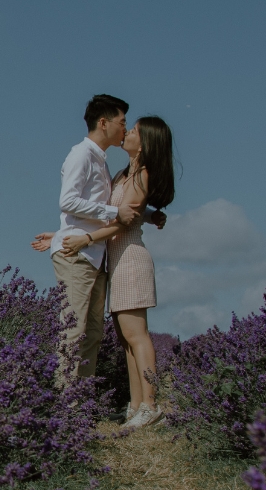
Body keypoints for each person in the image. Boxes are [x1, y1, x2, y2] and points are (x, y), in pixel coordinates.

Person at [42, 116, 175, 428]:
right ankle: (137, 405)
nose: (126, 132)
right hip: (115, 259)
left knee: (136, 335)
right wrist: (58, 235)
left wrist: (86, 239)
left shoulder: (141, 174)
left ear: (143, 144)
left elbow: (123, 221)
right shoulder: (124, 174)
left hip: (130, 258)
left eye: (133, 130)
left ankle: (150, 406)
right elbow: (116, 212)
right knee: (125, 338)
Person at [32, 95, 141, 381]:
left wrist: (149, 215)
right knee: (74, 329)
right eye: (122, 122)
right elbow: (68, 201)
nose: (125, 129)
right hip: (76, 255)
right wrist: (113, 211)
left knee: (92, 332)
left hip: (94, 253)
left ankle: (82, 407)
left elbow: (82, 213)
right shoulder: (81, 155)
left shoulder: (100, 160)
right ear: (103, 123)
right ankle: (66, 408)